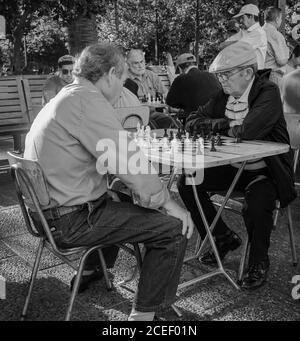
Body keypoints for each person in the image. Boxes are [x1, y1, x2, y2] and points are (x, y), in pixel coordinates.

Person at [24, 43, 193, 321]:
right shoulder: (87, 102)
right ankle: (144, 316)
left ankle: (91, 270)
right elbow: (128, 162)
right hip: (70, 221)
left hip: (46, 214)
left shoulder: (67, 95)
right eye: (123, 78)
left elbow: (110, 160)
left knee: (116, 195)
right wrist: (168, 202)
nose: (122, 86)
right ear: (112, 73)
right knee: (173, 229)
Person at [179, 41, 296, 290]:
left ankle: (258, 262)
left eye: (225, 74)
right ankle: (222, 238)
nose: (221, 81)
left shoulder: (268, 92)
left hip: (267, 170)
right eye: (219, 75)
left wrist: (220, 126)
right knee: (188, 180)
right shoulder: (225, 95)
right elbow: (191, 120)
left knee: (257, 201)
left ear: (247, 73)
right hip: (234, 166)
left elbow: (248, 130)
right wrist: (226, 124)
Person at [166, 53, 221, 125]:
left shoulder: (181, 78)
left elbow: (170, 102)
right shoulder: (211, 75)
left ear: (179, 68)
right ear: (196, 65)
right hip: (217, 120)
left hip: (196, 122)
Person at [126, 49, 174, 129]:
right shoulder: (125, 79)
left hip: (152, 113)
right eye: (136, 63)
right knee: (151, 125)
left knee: (168, 121)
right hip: (135, 115)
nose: (140, 66)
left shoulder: (151, 75)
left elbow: (165, 94)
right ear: (128, 65)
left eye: (141, 62)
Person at [222, 4, 267, 70]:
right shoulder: (245, 31)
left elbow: (239, 47)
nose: (240, 21)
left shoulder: (259, 33)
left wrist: (230, 45)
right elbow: (224, 45)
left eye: (242, 18)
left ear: (251, 17)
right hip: (243, 73)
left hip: (254, 74)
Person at [263, 7, 289, 86]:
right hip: (274, 76)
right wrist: (287, 52)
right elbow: (281, 61)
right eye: (281, 18)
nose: (281, 21)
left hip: (261, 73)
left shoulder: (261, 31)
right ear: (277, 19)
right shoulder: (276, 35)